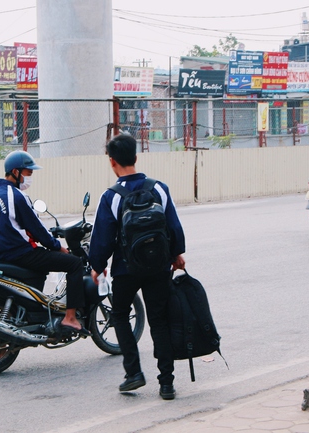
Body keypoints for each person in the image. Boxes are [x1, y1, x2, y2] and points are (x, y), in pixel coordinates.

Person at [89, 134, 186, 400]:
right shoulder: (159, 189)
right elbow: (173, 225)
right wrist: (177, 254)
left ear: (112, 162)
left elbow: (102, 237)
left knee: (120, 314)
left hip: (125, 269)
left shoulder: (111, 196)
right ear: (136, 157)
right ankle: (166, 383)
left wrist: (97, 266)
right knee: (159, 320)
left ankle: (133, 373)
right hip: (158, 267)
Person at [0, 150, 89, 336]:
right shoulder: (16, 196)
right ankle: (70, 317)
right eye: (28, 173)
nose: (30, 177)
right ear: (15, 172)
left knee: (40, 272)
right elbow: (36, 230)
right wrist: (58, 246)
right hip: (22, 254)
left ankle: (24, 321)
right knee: (74, 264)